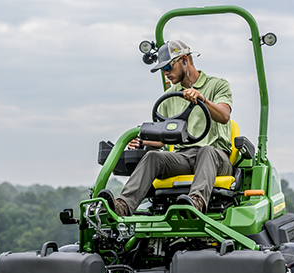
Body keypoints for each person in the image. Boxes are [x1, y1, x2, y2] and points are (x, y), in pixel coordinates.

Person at [100, 40, 233, 216]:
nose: (166, 73)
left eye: (168, 67)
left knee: (206, 151)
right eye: (163, 70)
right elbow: (163, 138)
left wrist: (203, 100)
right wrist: (141, 141)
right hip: (183, 157)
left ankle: (195, 204)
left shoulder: (217, 85)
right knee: (153, 156)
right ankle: (122, 206)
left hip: (216, 157)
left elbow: (224, 116)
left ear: (184, 60)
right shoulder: (169, 97)